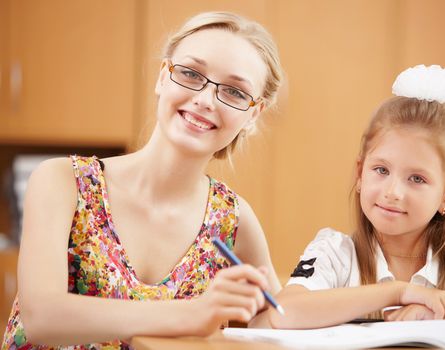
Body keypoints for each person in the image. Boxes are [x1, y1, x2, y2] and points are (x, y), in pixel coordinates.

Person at [2, 11, 283, 349]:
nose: (205, 100)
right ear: (163, 76)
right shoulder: (63, 181)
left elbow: (276, 316)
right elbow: (42, 318)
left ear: (253, 113)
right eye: (191, 74)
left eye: (236, 92)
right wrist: (194, 314)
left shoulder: (234, 219)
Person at [269, 65, 445, 330]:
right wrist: (399, 292)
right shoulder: (335, 253)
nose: (392, 192)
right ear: (360, 174)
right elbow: (283, 312)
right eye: (381, 170)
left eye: (417, 179)